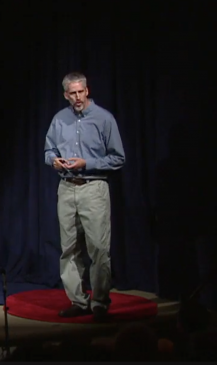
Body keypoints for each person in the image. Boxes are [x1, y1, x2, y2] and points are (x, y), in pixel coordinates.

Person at [44, 72, 125, 322]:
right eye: (73, 93)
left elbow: (118, 158)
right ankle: (78, 301)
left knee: (98, 248)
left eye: (81, 92)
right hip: (66, 187)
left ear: (87, 91)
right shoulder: (59, 119)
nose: (78, 97)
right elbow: (48, 150)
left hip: (94, 187)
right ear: (66, 95)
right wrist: (53, 160)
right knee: (69, 248)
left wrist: (86, 163)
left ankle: (99, 302)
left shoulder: (104, 119)